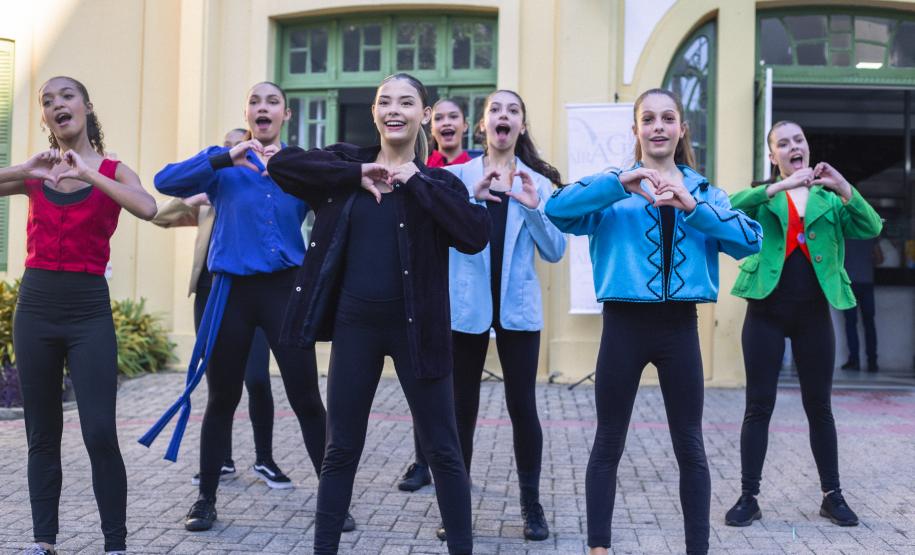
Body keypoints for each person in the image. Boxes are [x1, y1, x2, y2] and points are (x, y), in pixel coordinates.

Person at [267, 72, 490, 555]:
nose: (394, 110)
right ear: (374, 113)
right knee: (340, 449)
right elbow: (284, 166)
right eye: (384, 102)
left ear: (423, 115)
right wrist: (357, 174)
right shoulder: (346, 164)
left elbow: (476, 234)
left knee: (444, 451)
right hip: (355, 328)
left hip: (419, 332)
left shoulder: (438, 181)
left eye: (406, 102)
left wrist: (417, 184)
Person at [545, 88, 762, 555]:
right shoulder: (613, 188)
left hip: (680, 328)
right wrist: (618, 183)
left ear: (682, 128)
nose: (658, 126)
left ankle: (696, 549)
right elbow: (556, 208)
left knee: (690, 445)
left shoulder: (703, 190)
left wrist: (692, 207)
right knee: (608, 442)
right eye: (648, 119)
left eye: (668, 118)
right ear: (636, 130)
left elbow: (751, 241)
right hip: (623, 326)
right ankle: (598, 548)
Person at [150, 82, 350, 533]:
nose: (264, 108)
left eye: (272, 102)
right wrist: (224, 157)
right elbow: (165, 181)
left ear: (286, 115)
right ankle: (205, 499)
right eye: (255, 102)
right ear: (248, 114)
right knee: (222, 396)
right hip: (232, 294)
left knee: (306, 399)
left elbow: (340, 195)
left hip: (285, 293)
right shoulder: (223, 168)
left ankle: (333, 500)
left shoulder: (296, 167)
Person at [0, 76, 157, 555]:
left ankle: (115, 545)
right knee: (41, 434)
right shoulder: (37, 173)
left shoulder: (111, 170)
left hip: (88, 311)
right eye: (47, 101)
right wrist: (26, 166)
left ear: (86, 106)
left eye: (64, 96)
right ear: (47, 118)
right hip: (37, 308)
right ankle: (43, 542)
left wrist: (90, 175)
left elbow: (149, 207)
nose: (55, 105)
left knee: (99, 432)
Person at [726, 120, 882, 529]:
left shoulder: (830, 200)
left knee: (820, 408)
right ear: (773, 155)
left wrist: (844, 186)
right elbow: (726, 209)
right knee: (758, 405)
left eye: (798, 140)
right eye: (783, 143)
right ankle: (749, 496)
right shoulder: (765, 197)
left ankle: (832, 495)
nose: (793, 146)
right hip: (765, 312)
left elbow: (871, 227)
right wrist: (776, 187)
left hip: (814, 314)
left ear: (807, 148)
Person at [435, 89, 567, 542]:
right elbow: (440, 235)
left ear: (522, 126)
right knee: (461, 410)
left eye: (513, 111)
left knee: (522, 407)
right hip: (467, 309)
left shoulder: (538, 182)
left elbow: (554, 250)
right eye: (496, 110)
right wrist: (470, 199)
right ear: (483, 125)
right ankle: (455, 507)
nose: (504, 117)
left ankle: (531, 505)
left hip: (518, 312)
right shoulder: (456, 177)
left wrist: (532, 209)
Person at [152, 128, 289, 488]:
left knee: (257, 379)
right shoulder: (211, 190)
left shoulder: (257, 189)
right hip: (211, 293)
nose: (233, 153)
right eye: (228, 148)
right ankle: (222, 460)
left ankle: (265, 458)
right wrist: (200, 195)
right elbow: (158, 214)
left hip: (252, 292)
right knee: (220, 387)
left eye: (237, 146)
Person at [397, 97, 472, 493]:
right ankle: (421, 461)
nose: (445, 123)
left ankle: (452, 463)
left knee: (455, 389)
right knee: (422, 379)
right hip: (427, 290)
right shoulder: (423, 170)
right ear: (430, 124)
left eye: (452, 118)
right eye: (439, 117)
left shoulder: (472, 171)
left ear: (464, 126)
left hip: (465, 287)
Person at [840, 238, 882, 373]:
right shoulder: (870, 233)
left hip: (849, 284)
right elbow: (880, 258)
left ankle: (854, 361)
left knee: (851, 323)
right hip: (867, 282)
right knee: (869, 323)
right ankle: (872, 362)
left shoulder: (844, 233)